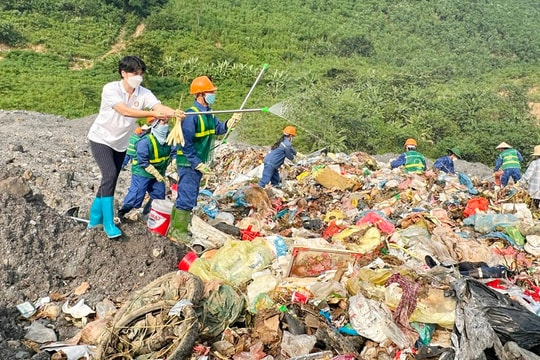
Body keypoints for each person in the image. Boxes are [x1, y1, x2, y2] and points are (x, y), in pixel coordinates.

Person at [86, 55, 183, 239]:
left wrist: (174, 112)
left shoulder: (143, 93)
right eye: (134, 73)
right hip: (101, 139)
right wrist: (153, 112)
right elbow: (125, 110)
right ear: (124, 73)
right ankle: (108, 223)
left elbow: (159, 106)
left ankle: (94, 219)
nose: (138, 77)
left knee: (110, 180)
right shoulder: (111, 89)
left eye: (140, 73)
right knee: (110, 174)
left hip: (120, 144)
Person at [167, 75, 241, 243]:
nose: (213, 94)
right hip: (188, 163)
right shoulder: (191, 116)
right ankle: (177, 231)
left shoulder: (209, 114)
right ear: (200, 94)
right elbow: (186, 145)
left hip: (197, 163)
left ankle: (175, 228)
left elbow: (218, 129)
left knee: (189, 196)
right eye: (210, 91)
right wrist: (197, 163)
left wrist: (230, 123)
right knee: (186, 196)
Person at [117, 118, 174, 221]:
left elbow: (174, 151)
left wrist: (174, 161)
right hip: (142, 172)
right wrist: (154, 172)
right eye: (163, 122)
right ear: (155, 124)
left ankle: (148, 215)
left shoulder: (168, 139)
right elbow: (142, 161)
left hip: (158, 173)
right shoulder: (145, 141)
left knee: (158, 195)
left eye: (167, 123)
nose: (166, 125)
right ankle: (121, 213)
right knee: (137, 194)